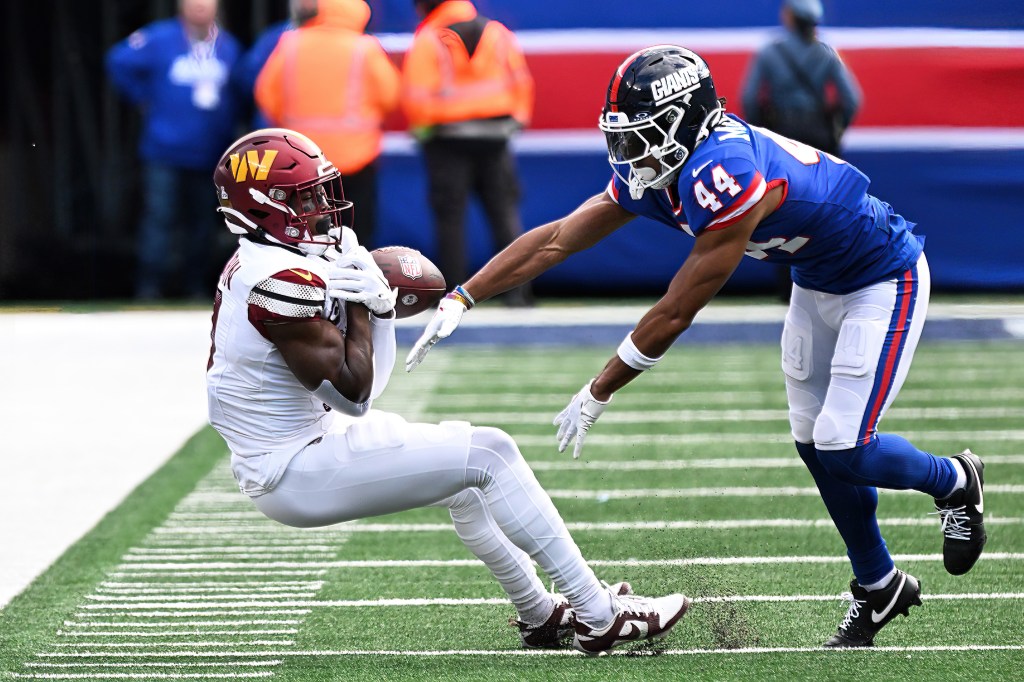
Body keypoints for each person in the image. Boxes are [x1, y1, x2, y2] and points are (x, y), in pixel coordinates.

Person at [406, 46, 988, 648]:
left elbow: (679, 307)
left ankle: (951, 479)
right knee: (816, 443)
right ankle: (879, 584)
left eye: (643, 135)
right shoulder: (669, 166)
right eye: (624, 137)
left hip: (880, 276)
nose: (630, 152)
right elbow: (557, 240)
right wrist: (463, 296)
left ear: (685, 121)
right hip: (816, 278)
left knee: (844, 443)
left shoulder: (723, 170)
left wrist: (599, 386)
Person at [205, 127, 690, 655]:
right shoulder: (279, 282)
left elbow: (366, 392)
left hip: (310, 439)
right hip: (292, 468)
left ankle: (540, 613)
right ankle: (598, 614)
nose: (321, 208)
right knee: (491, 451)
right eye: (305, 198)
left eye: (321, 193)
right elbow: (356, 395)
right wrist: (371, 309)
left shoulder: (274, 262)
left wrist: (381, 311)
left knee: (466, 480)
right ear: (265, 206)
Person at [401, 0, 535, 307]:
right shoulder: (497, 33)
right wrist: (515, 121)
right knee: (504, 214)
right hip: (496, 137)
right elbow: (521, 81)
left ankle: (451, 294)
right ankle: (519, 295)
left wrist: (424, 130)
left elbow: (415, 93)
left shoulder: (429, 38)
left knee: (450, 220)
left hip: (446, 138)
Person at [107, 0, 243, 300]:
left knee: (203, 223)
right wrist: (142, 97)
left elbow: (241, 91)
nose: (198, 6)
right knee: (160, 218)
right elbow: (117, 60)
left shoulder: (228, 47)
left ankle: (195, 287)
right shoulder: (160, 37)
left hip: (209, 153)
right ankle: (150, 287)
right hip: (164, 149)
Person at [255, 0, 399, 248]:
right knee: (356, 233)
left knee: (305, 234)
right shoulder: (365, 48)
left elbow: (266, 94)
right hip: (356, 158)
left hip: (302, 161)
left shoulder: (291, 43)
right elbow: (391, 96)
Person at [741, 0, 861, 158]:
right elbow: (852, 100)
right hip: (819, 135)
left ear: (790, 16)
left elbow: (749, 98)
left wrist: (762, 129)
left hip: (779, 135)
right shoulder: (828, 53)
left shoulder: (769, 52)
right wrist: (834, 130)